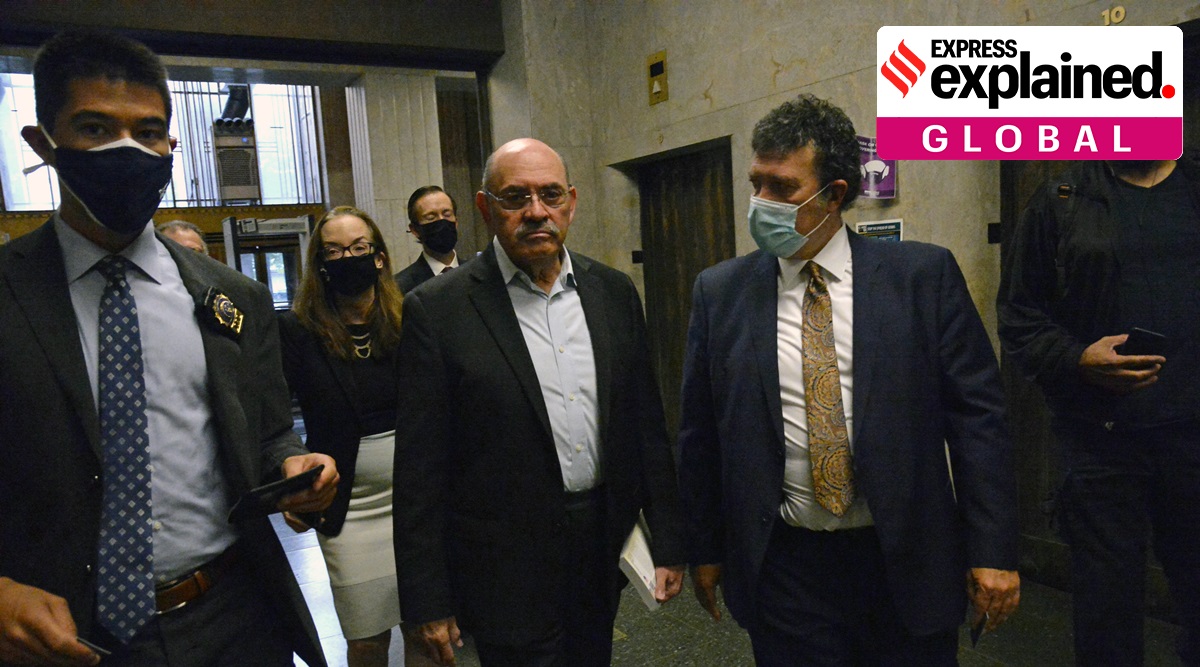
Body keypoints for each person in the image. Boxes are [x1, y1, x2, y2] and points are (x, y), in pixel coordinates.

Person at [0, 31, 338, 667]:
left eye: (148, 132)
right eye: (95, 128)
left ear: (171, 145)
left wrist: (292, 468)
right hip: (66, 634)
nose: (126, 150)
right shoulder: (8, 294)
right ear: (44, 144)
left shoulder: (232, 297)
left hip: (235, 616)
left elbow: (268, 434)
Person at [677, 94, 1020, 665]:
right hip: (785, 564)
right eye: (755, 183)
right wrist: (704, 547)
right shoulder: (722, 292)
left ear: (834, 193)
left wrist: (994, 549)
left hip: (904, 558)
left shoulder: (921, 277)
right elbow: (700, 434)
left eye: (782, 188)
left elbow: (979, 418)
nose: (762, 202)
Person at [392, 138, 687, 666]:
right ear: (485, 207)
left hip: (600, 545)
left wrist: (667, 539)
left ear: (571, 202)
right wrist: (427, 601)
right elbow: (420, 471)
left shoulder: (613, 293)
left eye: (550, 195)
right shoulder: (437, 311)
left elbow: (646, 426)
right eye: (515, 197)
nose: (536, 211)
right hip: (502, 564)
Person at [998, 157, 1200, 666]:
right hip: (1100, 443)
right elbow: (1019, 317)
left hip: (1193, 438)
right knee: (1107, 621)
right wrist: (1075, 359)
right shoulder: (1061, 198)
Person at [280, 205, 433, 667]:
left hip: (418, 503)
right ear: (321, 264)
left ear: (380, 256)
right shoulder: (297, 330)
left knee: (429, 632)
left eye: (359, 247)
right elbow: (269, 418)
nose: (349, 257)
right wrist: (289, 482)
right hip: (347, 508)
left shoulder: (413, 316)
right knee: (366, 641)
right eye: (335, 250)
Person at [394, 185, 462, 293]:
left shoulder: (479, 273)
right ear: (415, 230)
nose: (441, 221)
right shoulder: (399, 287)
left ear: (456, 222)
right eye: (431, 217)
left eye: (447, 214)